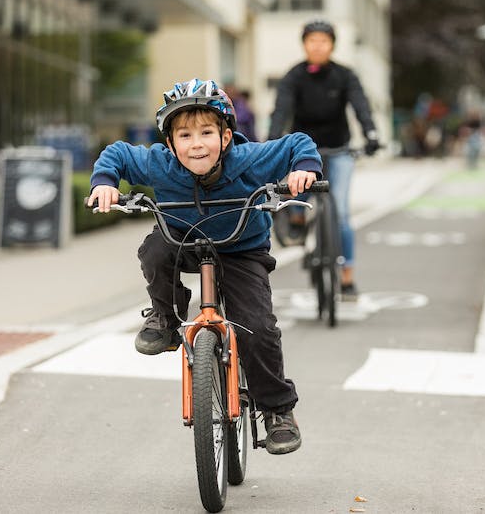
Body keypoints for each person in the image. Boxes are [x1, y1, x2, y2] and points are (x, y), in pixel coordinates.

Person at [86, 78, 320, 455]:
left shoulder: (247, 159)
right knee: (154, 252)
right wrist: (104, 182)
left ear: (226, 137)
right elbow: (117, 154)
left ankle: (277, 410)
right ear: (170, 144)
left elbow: (298, 144)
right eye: (185, 136)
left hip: (241, 248)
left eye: (207, 133)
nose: (197, 144)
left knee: (257, 328)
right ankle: (165, 317)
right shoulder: (160, 165)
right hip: (182, 240)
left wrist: (302, 169)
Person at [268, 19, 381, 301]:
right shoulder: (294, 76)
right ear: (304, 44)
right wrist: (273, 139)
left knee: (342, 213)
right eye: (312, 41)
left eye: (324, 41)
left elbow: (360, 105)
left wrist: (371, 133)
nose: (318, 46)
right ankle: (296, 217)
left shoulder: (345, 75)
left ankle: (347, 278)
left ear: (332, 45)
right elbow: (281, 110)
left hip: (339, 149)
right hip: (303, 150)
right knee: (298, 187)